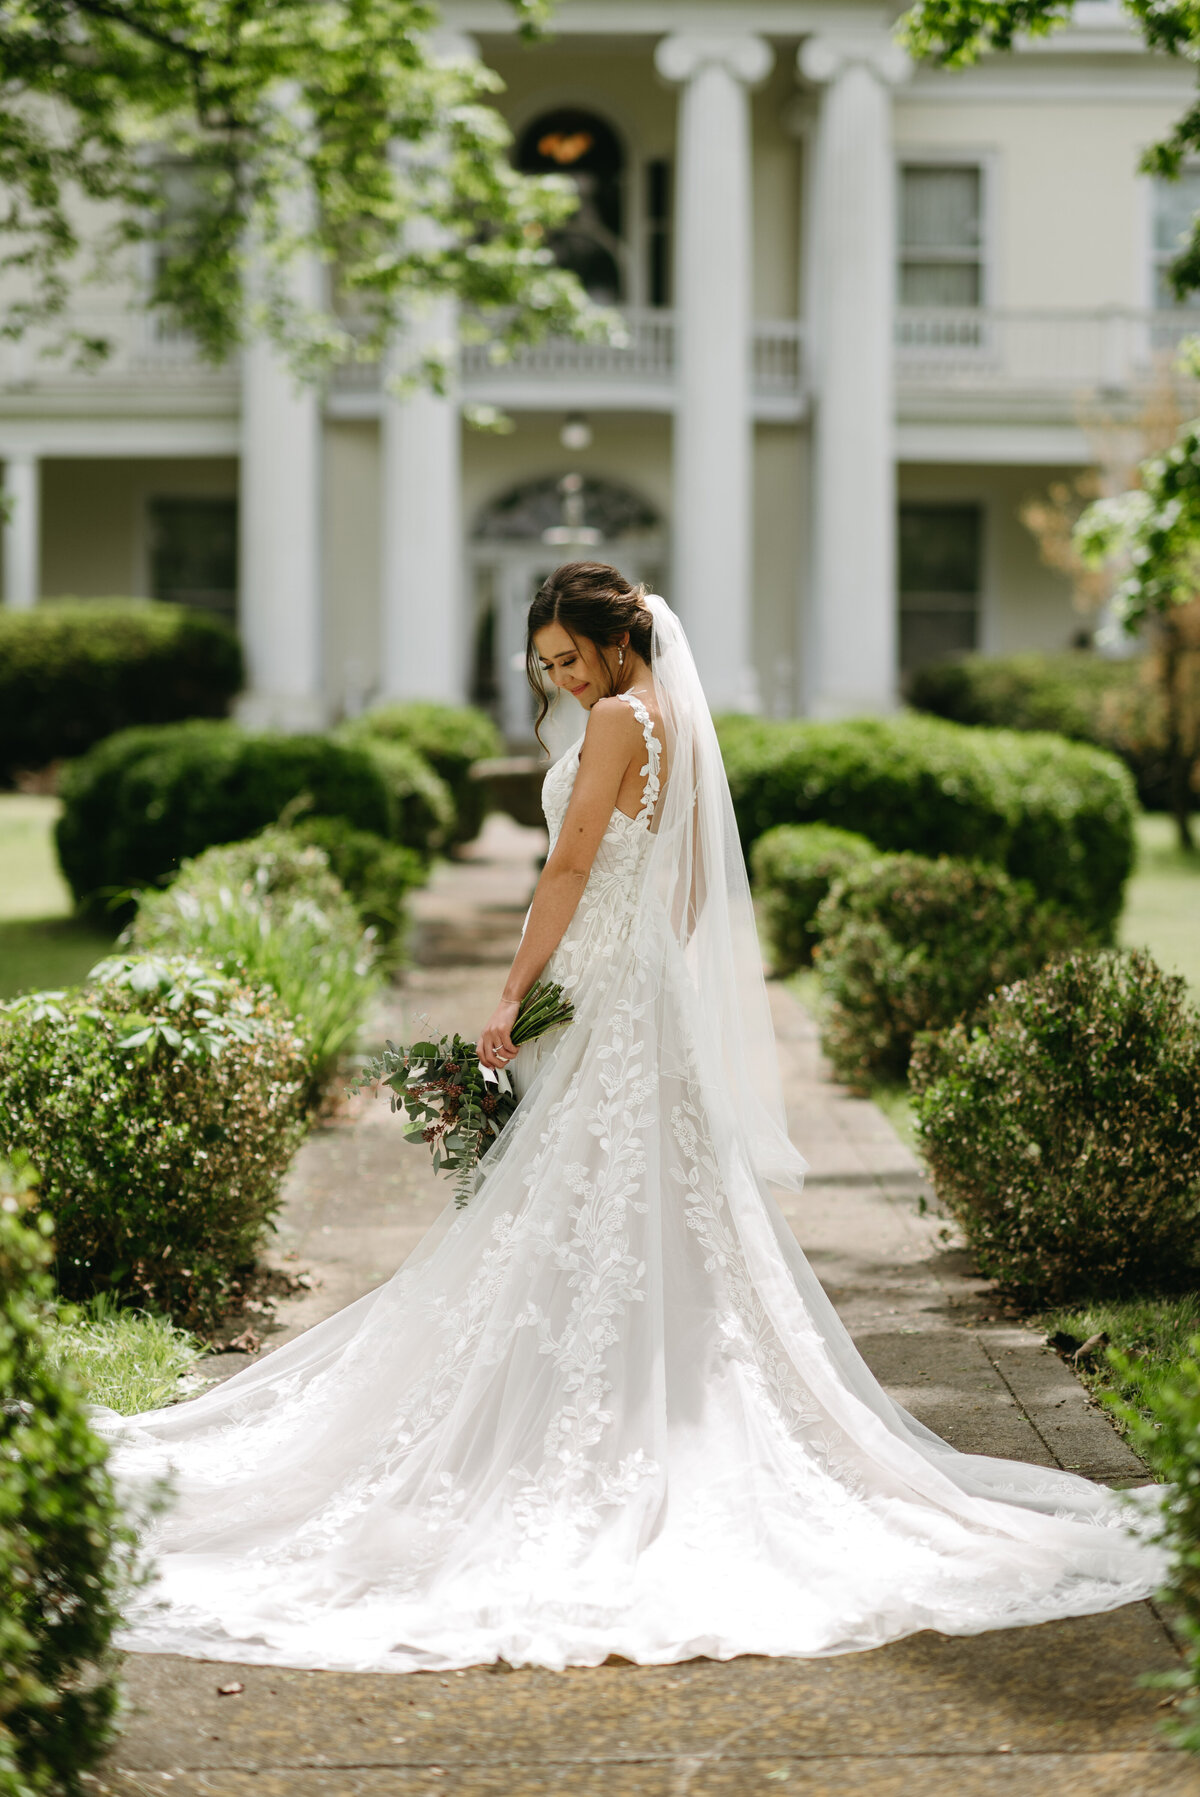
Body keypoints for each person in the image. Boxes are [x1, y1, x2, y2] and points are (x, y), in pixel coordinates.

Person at [95, 564, 1163, 1675]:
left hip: (594, 978)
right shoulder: (681, 728)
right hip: (639, 977)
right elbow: (690, 892)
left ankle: (585, 1408)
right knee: (640, 1186)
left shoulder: (613, 721)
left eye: (567, 657)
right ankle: (643, 1398)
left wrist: (513, 992)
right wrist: (634, 961)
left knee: (581, 1184)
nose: (557, 679)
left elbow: (564, 863)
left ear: (616, 642)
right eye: (544, 666)